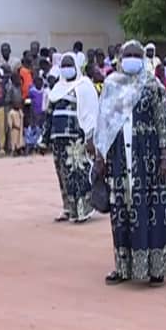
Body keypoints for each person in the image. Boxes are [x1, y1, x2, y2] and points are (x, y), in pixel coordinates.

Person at [94, 40, 166, 286]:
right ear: (120, 58)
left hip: (148, 155)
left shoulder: (152, 85)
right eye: (128, 54)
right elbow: (103, 122)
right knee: (122, 210)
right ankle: (124, 266)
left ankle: (156, 267)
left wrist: (164, 156)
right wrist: (100, 156)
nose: (132, 58)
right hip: (119, 158)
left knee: (150, 209)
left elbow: (163, 120)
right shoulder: (111, 85)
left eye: (136, 54)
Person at [39, 53, 98, 224]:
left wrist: (90, 138)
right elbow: (49, 116)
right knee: (63, 175)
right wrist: (44, 140)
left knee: (78, 174)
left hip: (76, 138)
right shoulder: (57, 88)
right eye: (63, 65)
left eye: (69, 65)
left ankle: (82, 210)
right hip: (58, 139)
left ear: (76, 66)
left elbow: (90, 114)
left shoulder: (84, 86)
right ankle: (68, 207)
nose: (66, 68)